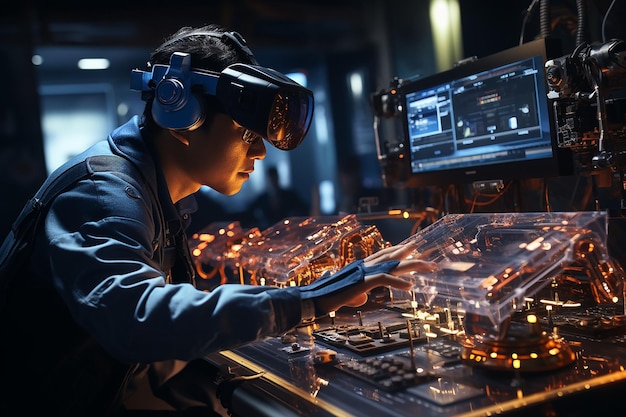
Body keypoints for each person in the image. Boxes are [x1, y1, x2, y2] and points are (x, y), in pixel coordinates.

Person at [0, 24, 434, 416]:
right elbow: (138, 318)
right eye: (247, 134)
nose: (260, 152)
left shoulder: (155, 194)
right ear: (180, 114)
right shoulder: (104, 194)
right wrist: (310, 300)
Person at [249, 165, 310, 229]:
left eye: (274, 178)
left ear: (278, 178)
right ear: (268, 180)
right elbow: (250, 210)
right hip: (269, 230)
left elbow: (303, 208)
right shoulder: (263, 198)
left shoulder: (289, 195)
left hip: (287, 228)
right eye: (271, 178)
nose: (273, 181)